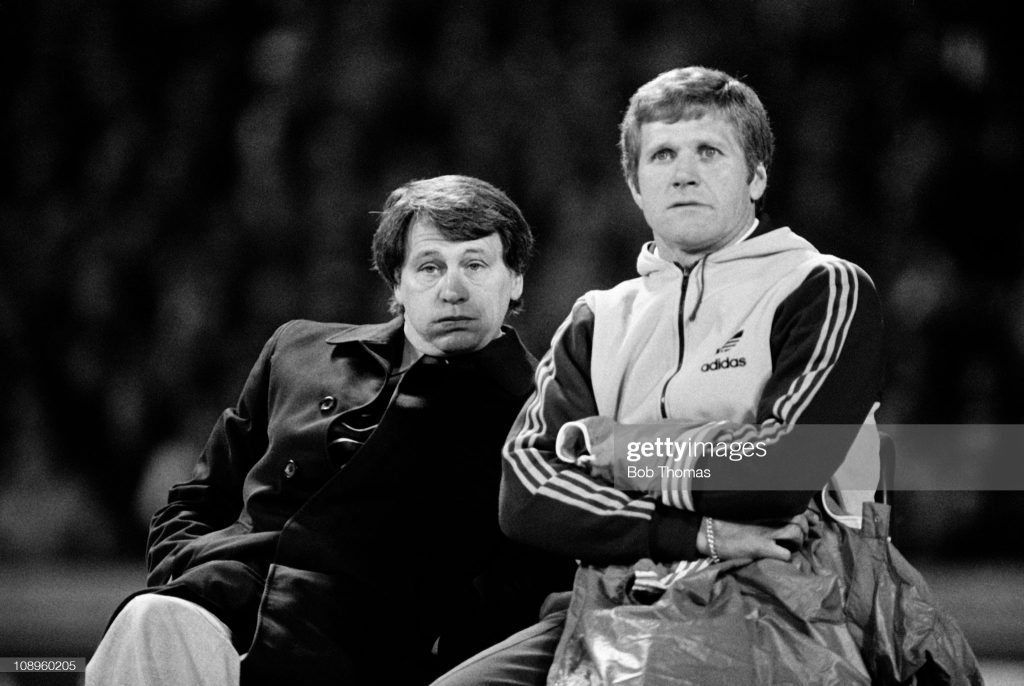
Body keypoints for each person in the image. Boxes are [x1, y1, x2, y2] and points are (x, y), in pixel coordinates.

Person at [431, 66, 891, 685]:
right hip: (615, 598)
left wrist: (620, 452)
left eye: (709, 151)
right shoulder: (597, 318)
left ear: (756, 178)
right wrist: (696, 531)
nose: (684, 172)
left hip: (787, 599)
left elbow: (783, 471)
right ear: (636, 185)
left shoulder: (822, 286)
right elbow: (527, 496)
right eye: (663, 155)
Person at [86, 174, 574, 686]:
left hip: (348, 659)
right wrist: (186, 569)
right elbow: (197, 499)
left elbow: (511, 602)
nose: (452, 289)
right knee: (151, 618)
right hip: (208, 613)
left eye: (475, 264)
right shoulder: (296, 349)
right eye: (430, 267)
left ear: (515, 278)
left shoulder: (538, 417)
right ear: (397, 282)